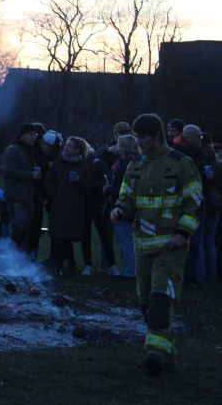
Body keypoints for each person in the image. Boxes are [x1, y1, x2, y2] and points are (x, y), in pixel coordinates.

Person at [110, 113, 201, 375]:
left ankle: (154, 353)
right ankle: (167, 353)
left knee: (161, 299)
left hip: (170, 247)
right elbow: (126, 196)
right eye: (136, 137)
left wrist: (182, 233)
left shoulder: (181, 163)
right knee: (146, 303)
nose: (138, 142)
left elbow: (194, 201)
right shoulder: (135, 166)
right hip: (142, 245)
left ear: (157, 136)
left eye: (142, 137)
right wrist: (119, 209)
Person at [170, 124, 217, 287]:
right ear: (188, 137)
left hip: (200, 203)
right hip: (187, 204)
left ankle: (197, 277)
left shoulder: (199, 152)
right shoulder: (179, 154)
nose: (201, 140)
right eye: (198, 137)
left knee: (197, 243)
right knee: (193, 243)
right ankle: (190, 278)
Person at [43, 136, 91, 275]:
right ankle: (57, 264)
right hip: (58, 205)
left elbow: (88, 186)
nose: (66, 147)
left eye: (70, 146)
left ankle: (69, 264)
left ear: (77, 150)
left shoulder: (83, 166)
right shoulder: (58, 163)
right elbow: (49, 181)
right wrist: (54, 194)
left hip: (74, 207)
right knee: (57, 236)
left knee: (66, 237)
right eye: (66, 145)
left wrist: (79, 181)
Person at [1, 123, 40, 250]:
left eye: (35, 135)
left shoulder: (28, 151)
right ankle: (10, 260)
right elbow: (9, 171)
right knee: (18, 230)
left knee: (24, 231)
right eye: (30, 135)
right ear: (22, 135)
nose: (33, 137)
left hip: (27, 196)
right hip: (17, 197)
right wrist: (31, 175)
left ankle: (19, 261)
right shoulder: (13, 149)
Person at [106, 134, 140, 278]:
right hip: (121, 203)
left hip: (123, 205)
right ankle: (130, 268)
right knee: (126, 240)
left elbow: (125, 187)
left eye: (119, 145)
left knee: (126, 240)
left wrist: (108, 189)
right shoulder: (125, 161)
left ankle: (129, 271)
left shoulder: (130, 164)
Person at [82, 144, 115, 276]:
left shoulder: (99, 164)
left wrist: (86, 184)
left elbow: (105, 183)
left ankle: (111, 265)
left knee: (105, 236)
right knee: (86, 236)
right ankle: (88, 264)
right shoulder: (83, 164)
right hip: (86, 205)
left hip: (98, 205)